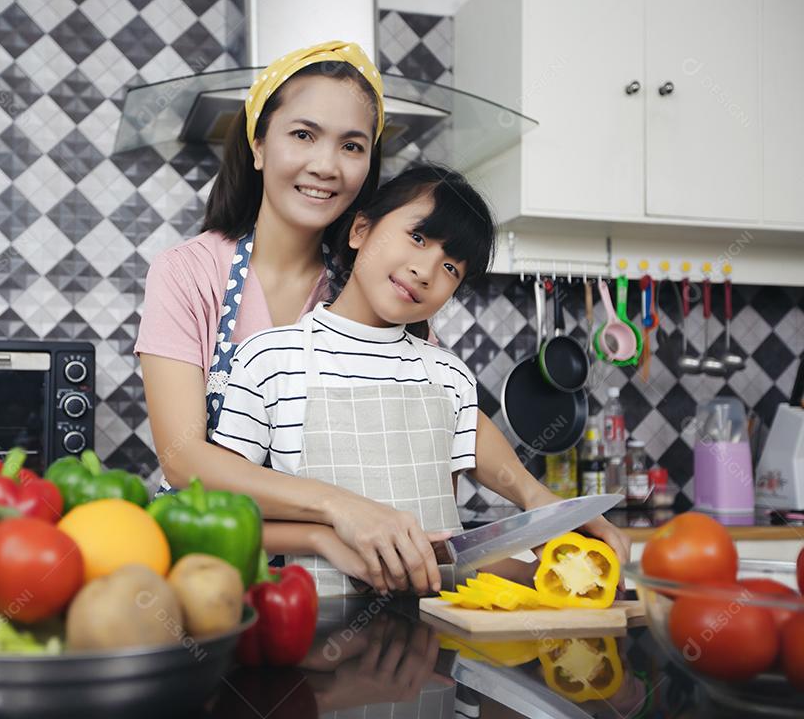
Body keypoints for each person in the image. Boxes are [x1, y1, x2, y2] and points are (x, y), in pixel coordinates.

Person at [135, 40, 629, 595]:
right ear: (257, 144)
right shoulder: (189, 273)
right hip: (223, 570)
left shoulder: (376, 278)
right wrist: (337, 514)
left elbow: (450, 408)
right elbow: (184, 463)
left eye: (351, 145)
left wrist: (538, 500)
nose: (325, 165)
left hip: (359, 586)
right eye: (303, 134)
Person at [213, 164, 492, 595]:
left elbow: (440, 528)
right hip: (313, 625)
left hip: (432, 625)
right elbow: (228, 511)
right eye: (418, 238)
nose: (426, 271)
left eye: (452, 267)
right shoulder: (270, 359)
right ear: (360, 230)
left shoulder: (451, 378)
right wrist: (322, 539)